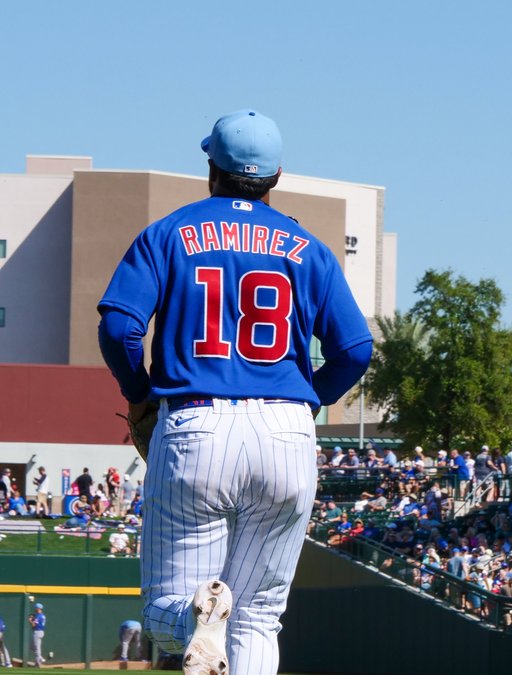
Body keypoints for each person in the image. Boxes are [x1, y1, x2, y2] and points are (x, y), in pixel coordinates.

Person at [97, 109, 373, 675]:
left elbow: (119, 327)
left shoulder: (171, 232)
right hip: (286, 432)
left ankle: (195, 618)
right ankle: (210, 621)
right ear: (275, 178)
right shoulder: (308, 247)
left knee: (164, 613)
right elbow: (355, 350)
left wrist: (139, 390)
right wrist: (309, 401)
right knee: (257, 619)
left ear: (211, 168)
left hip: (196, 421)